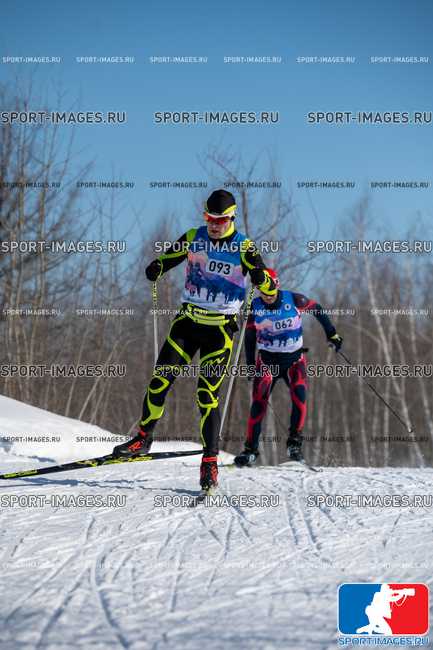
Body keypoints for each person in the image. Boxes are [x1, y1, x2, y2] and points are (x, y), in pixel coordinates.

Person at [113, 190, 276, 490]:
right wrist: (157, 267)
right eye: (209, 218)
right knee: (160, 380)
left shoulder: (244, 246)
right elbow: (168, 258)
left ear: (232, 218)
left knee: (206, 394)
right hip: (187, 323)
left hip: (220, 331)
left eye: (220, 220)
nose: (214, 225)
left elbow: (268, 283)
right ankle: (142, 439)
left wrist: (261, 278)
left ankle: (210, 462)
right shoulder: (193, 237)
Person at [234, 269, 343, 466]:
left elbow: (317, 309)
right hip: (267, 362)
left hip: (294, 361)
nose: (267, 297)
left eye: (270, 293)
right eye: (263, 293)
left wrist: (332, 334)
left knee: (300, 399)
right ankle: (250, 450)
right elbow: (249, 337)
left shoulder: (294, 300)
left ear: (276, 286)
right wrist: (250, 364)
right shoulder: (255, 307)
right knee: (258, 405)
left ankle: (294, 445)